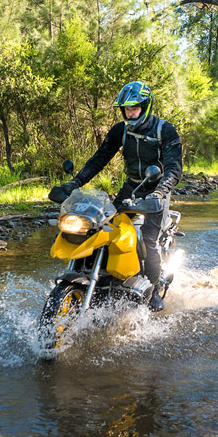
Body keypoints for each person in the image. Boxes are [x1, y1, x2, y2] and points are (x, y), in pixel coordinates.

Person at [55, 81, 183, 312]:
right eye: (126, 109)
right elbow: (99, 158)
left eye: (134, 108)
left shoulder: (165, 130)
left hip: (156, 190)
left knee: (149, 239)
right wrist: (74, 183)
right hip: (131, 187)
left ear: (146, 107)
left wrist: (160, 191)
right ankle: (105, 279)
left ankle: (153, 290)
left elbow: (174, 168)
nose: (130, 113)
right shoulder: (121, 130)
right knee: (105, 228)